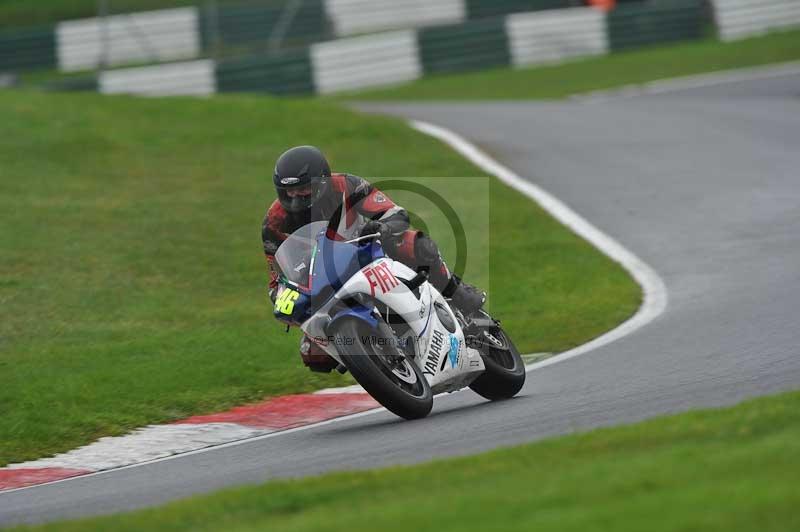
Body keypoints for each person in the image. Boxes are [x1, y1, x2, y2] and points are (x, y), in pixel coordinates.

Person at [262, 145, 485, 372]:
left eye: (304, 190)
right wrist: (283, 297)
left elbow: (395, 213)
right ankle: (371, 357)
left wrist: (384, 226)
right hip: (325, 281)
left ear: (322, 182)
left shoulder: (347, 185)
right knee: (314, 357)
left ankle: (455, 291)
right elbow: (276, 279)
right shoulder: (273, 223)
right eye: (289, 192)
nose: (296, 197)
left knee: (416, 245)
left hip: (367, 251)